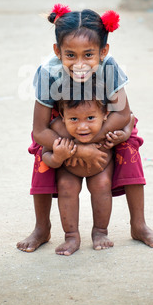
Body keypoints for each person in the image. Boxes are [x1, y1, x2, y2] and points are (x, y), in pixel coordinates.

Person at [16, 5, 153, 253]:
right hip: (62, 128)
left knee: (129, 146)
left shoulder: (109, 68)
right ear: (57, 51)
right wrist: (76, 149)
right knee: (41, 156)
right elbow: (40, 130)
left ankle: (138, 224)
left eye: (88, 55)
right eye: (70, 55)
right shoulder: (49, 73)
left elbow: (123, 113)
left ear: (103, 51)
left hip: (104, 124)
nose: (80, 64)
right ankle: (41, 228)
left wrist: (92, 140)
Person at [42, 94, 135, 256]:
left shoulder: (110, 123)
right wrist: (57, 157)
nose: (82, 127)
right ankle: (71, 236)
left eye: (90, 118)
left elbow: (130, 118)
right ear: (63, 116)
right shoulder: (57, 128)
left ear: (105, 114)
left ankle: (100, 231)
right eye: (74, 119)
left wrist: (125, 134)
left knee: (102, 185)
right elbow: (45, 154)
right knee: (66, 187)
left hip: (101, 168)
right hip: (69, 170)